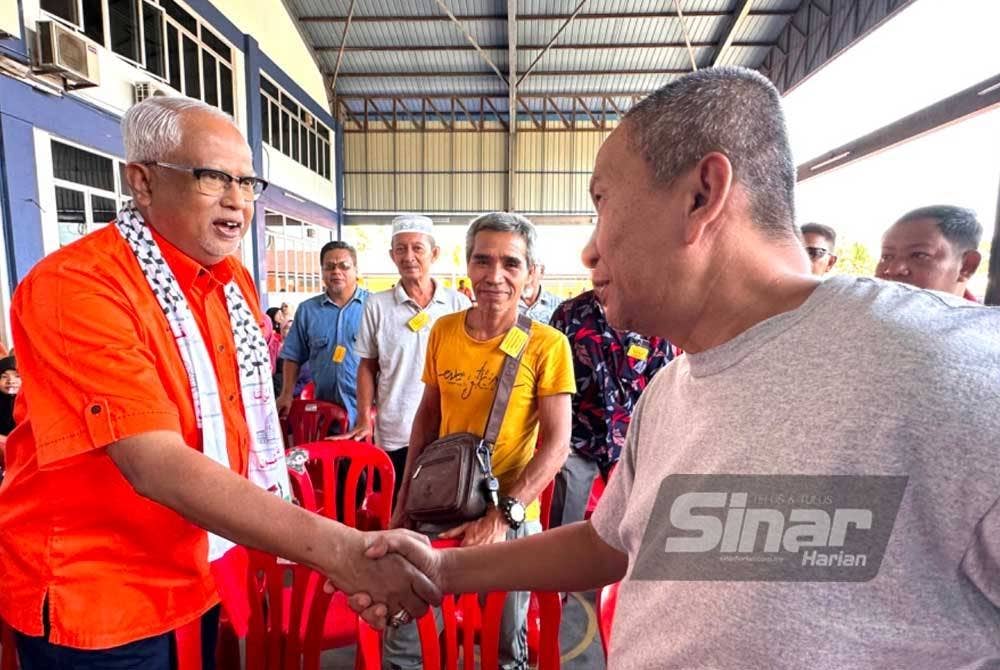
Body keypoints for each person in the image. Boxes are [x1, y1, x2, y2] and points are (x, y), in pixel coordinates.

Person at [353, 67, 1000, 669]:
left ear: (701, 196)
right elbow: (609, 544)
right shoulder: (672, 388)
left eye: (603, 202)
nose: (589, 245)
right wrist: (441, 570)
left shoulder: (960, 378)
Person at [0, 96, 438, 668]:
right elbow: (153, 461)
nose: (237, 201)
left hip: (200, 570)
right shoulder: (78, 286)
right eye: (213, 178)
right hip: (102, 598)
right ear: (143, 181)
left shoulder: (229, 284)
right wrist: (342, 550)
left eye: (247, 182)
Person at [384, 212, 575, 670]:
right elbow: (426, 421)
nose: (495, 276)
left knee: (504, 648)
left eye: (511, 264)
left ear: (530, 274)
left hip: (509, 520)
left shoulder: (548, 345)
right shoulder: (444, 331)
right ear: (466, 265)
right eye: (482, 261)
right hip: (437, 509)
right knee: (407, 639)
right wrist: (403, 502)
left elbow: (557, 445)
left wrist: (502, 516)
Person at [338, 214, 470, 499]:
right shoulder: (377, 305)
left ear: (434, 254)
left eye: (417, 248)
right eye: (400, 249)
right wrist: (363, 419)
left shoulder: (458, 304)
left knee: (443, 506)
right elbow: (366, 366)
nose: (408, 256)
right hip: (395, 429)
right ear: (392, 255)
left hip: (448, 430)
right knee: (398, 506)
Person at [548, 290, 672, 528]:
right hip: (578, 442)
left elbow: (663, 390)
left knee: (630, 530)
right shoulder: (568, 315)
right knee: (563, 524)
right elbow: (551, 383)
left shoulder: (654, 317)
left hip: (632, 445)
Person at [277, 241, 368, 428]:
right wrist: (286, 394)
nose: (336, 271)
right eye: (329, 267)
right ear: (322, 271)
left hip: (370, 414)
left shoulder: (374, 307)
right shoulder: (308, 310)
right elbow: (293, 355)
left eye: (344, 266)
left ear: (356, 271)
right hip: (325, 415)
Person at [876, 205, 983, 300]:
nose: (892, 270)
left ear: (966, 267)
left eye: (919, 255)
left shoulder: (987, 321)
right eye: (887, 257)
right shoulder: (864, 310)